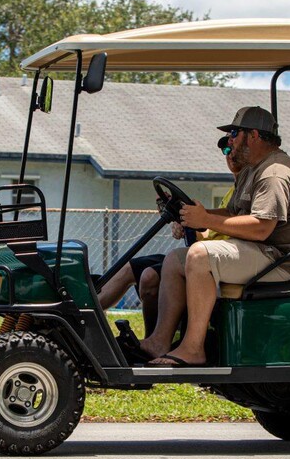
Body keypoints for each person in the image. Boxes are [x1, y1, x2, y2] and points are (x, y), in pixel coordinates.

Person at [140, 106, 290, 367]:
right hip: (258, 252)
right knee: (175, 260)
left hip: (281, 261)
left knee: (200, 256)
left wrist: (206, 220)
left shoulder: (275, 172)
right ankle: (159, 341)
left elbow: (261, 227)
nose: (229, 141)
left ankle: (193, 348)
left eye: (234, 133)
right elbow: (233, 212)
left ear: (254, 135)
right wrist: (195, 212)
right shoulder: (252, 170)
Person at [97, 136, 240, 337]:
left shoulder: (245, 193)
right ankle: (83, 314)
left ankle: (154, 341)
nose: (230, 155)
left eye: (234, 149)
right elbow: (212, 230)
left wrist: (197, 223)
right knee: (130, 268)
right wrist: (187, 224)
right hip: (201, 254)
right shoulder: (232, 192)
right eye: (226, 151)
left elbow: (230, 228)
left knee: (148, 276)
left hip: (215, 262)